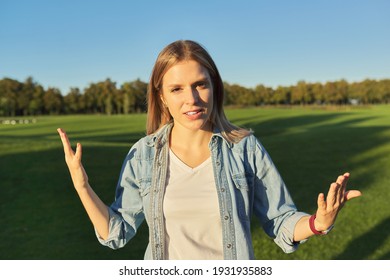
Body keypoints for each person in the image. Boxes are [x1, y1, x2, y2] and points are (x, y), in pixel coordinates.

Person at [57, 40, 361, 260]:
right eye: (176, 89)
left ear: (214, 87)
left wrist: (318, 224)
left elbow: (280, 220)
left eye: (200, 84)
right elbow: (116, 232)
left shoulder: (244, 148)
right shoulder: (144, 154)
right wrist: (82, 187)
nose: (192, 98)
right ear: (161, 97)